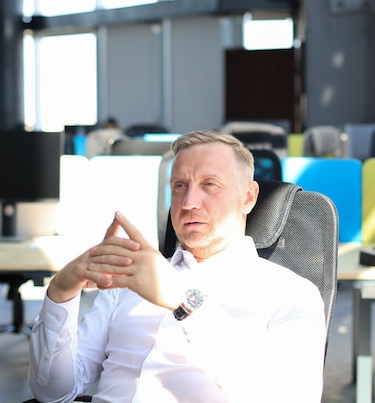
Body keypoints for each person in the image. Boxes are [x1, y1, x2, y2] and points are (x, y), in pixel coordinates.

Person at [28, 130, 326, 403]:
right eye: (180, 186)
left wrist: (184, 301)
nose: (189, 202)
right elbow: (53, 392)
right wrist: (61, 293)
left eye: (210, 185)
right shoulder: (129, 282)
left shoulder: (291, 294)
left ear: (248, 197)